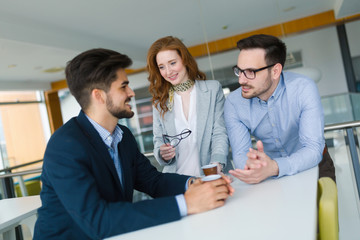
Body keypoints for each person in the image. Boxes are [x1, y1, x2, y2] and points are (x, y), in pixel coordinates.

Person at [34, 48, 233, 239]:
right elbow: (98, 221)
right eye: (124, 86)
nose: (132, 92)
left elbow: (152, 181)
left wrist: (194, 183)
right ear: (99, 95)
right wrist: (186, 203)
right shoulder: (65, 147)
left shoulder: (123, 136)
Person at [224, 34, 335, 184]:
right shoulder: (233, 103)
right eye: (239, 70)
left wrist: (275, 167)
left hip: (314, 165)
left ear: (275, 71)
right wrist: (253, 165)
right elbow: (240, 155)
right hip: (268, 174)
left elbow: (313, 149)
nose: (241, 80)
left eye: (251, 72)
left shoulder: (303, 88)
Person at [147, 36, 229, 177]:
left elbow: (219, 132)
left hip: (210, 175)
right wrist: (162, 153)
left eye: (172, 63)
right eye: (162, 67)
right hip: (176, 181)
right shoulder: (160, 102)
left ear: (184, 59)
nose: (168, 71)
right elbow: (158, 141)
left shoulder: (212, 89)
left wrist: (216, 165)